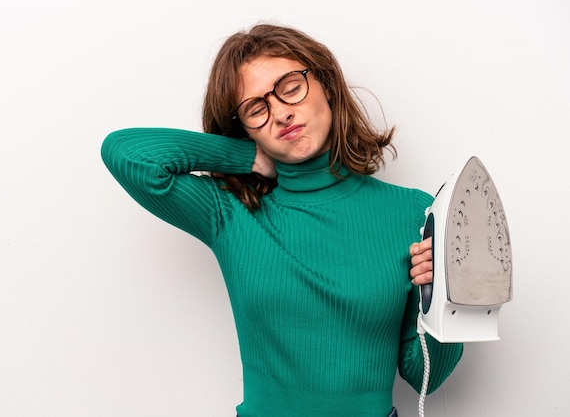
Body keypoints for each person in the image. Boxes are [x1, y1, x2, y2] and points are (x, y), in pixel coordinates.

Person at [101, 23, 463, 417]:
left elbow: (425, 376)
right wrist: (247, 157)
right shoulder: (230, 212)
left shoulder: (411, 212)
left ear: (326, 84)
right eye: (256, 109)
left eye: (290, 86)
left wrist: (448, 300)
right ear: (243, 128)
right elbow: (126, 153)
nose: (280, 113)